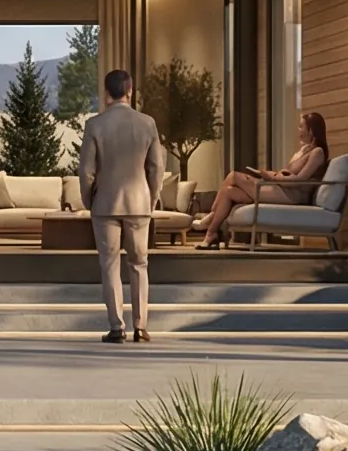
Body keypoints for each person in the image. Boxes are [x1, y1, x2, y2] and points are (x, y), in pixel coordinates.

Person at [76, 69, 163, 344]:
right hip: (139, 203)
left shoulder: (94, 125)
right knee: (140, 263)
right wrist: (152, 197)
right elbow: (157, 167)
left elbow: (86, 171)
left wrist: (89, 199)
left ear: (106, 94)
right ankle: (141, 326)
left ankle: (117, 326)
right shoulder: (147, 123)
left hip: (106, 204)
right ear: (130, 90)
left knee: (110, 264)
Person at [192, 110, 329, 247]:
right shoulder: (303, 151)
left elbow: (299, 180)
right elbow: (288, 174)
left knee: (233, 176)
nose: (298, 130)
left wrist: (273, 177)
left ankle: (211, 215)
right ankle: (211, 234)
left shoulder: (317, 152)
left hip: (292, 195)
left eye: (301, 126)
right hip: (281, 189)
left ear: (311, 130)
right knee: (229, 192)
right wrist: (273, 175)